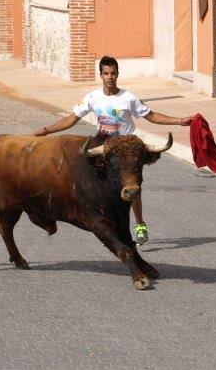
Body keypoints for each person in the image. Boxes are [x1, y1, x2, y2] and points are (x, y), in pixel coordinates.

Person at [33, 55, 193, 245]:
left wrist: (180, 121)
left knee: (132, 187)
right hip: (105, 151)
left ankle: (140, 224)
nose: (110, 77)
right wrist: (47, 130)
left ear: (118, 75)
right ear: (101, 75)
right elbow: (71, 118)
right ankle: (109, 223)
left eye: (113, 73)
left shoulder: (128, 98)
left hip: (126, 152)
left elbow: (151, 116)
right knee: (103, 188)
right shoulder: (93, 97)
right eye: (106, 73)